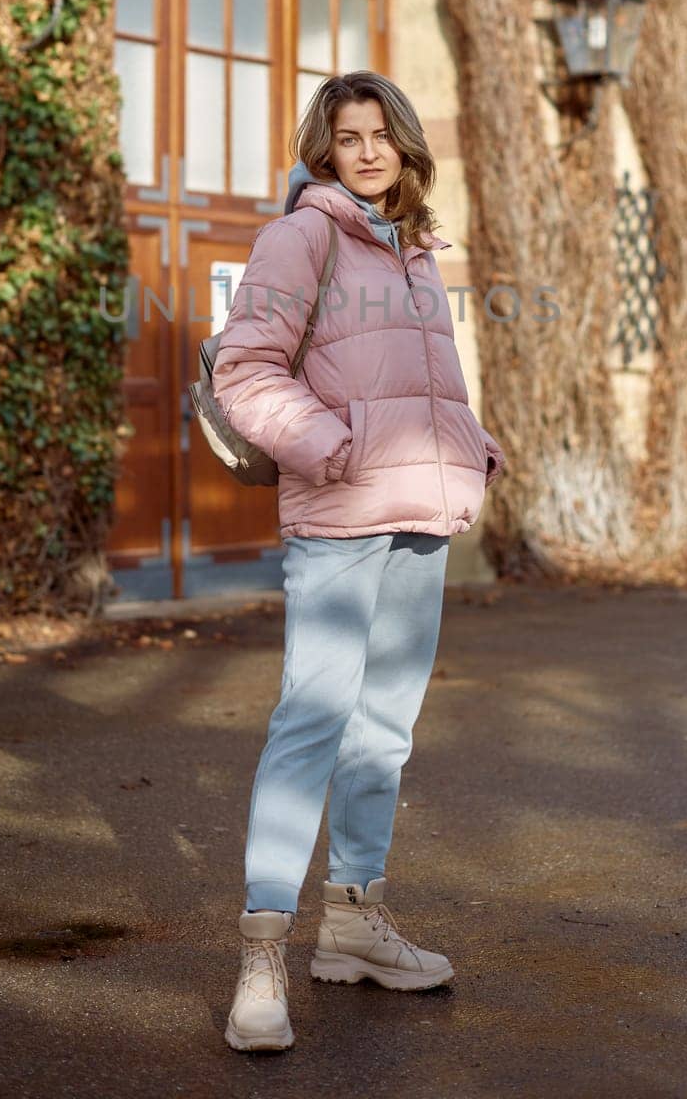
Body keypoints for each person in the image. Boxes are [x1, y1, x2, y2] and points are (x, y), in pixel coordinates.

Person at [211, 70, 506, 1053]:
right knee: (312, 718)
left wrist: (472, 443)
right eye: (349, 136)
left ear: (405, 144)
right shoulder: (302, 235)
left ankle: (352, 924)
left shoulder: (417, 249)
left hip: (423, 508)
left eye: (383, 133)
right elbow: (246, 368)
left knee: (385, 728)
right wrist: (331, 446)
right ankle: (262, 958)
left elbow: (429, 379)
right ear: (325, 148)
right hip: (340, 514)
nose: (368, 149)